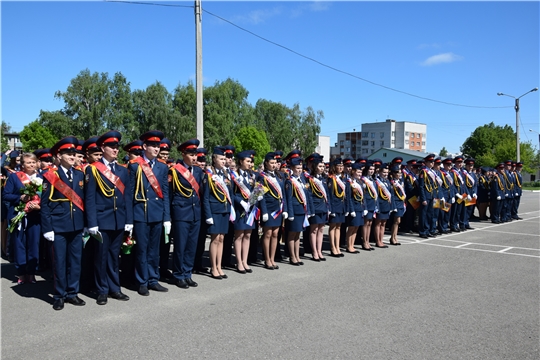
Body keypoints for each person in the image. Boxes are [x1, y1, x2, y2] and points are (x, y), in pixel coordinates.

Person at [85, 130, 132, 305]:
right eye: (112, 146)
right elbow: (89, 198)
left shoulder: (122, 170)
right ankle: (102, 289)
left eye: (117, 147)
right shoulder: (93, 169)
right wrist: (92, 222)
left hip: (119, 219)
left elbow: (127, 197)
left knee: (114, 256)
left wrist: (129, 220)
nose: (115, 150)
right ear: (103, 148)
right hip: (102, 220)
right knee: (101, 257)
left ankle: (115, 288)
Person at [41, 136, 86, 310]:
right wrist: (48, 228)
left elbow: (83, 201)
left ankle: (72, 293)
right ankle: (59, 295)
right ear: (59, 156)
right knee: (59, 262)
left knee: (75, 261)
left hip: (76, 225)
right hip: (58, 225)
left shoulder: (80, 174)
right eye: (68, 154)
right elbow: (45, 204)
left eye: (73, 154)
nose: (72, 157)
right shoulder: (51, 176)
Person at [128, 130, 171, 296]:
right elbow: (130, 194)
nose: (156, 148)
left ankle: (153, 279)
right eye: (152, 145)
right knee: (142, 249)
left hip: (157, 213)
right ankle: (142, 281)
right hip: (141, 212)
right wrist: (129, 219)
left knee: (155, 249)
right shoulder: (135, 166)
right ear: (144, 146)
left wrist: (166, 217)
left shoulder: (162, 166)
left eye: (158, 145)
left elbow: (165, 193)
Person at [169, 139, 204, 288]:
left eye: (195, 154)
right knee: (181, 246)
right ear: (183, 154)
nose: (194, 157)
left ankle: (187, 273)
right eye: (190, 154)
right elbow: (171, 194)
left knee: (191, 246)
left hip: (195, 212)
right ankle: (178, 275)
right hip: (181, 212)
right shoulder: (175, 171)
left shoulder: (198, 171)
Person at [3, 152, 42, 284]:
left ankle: (31, 272)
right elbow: (6, 195)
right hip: (18, 215)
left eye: (33, 162)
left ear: (37, 163)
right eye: (28, 162)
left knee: (34, 244)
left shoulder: (42, 177)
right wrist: (20, 198)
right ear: (22, 165)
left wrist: (39, 204)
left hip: (35, 216)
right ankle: (21, 273)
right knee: (20, 244)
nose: (31, 165)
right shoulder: (15, 177)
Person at [202, 146, 234, 279]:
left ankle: (219, 266)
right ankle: (213, 267)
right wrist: (208, 215)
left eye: (224, 158)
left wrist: (231, 210)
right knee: (215, 240)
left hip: (224, 210)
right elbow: (206, 197)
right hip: (214, 211)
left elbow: (230, 194)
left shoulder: (226, 174)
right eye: (221, 158)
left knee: (222, 238)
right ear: (214, 159)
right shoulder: (209, 175)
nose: (223, 161)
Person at [257, 152, 287, 269]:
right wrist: (263, 211)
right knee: (268, 234)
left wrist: (284, 208)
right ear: (266, 163)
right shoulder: (261, 176)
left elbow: (283, 193)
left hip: (277, 209)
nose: (274, 165)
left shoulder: (279, 176)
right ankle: (267, 259)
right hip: (268, 208)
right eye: (271, 163)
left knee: (275, 234)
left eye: (275, 163)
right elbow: (259, 195)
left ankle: (273, 258)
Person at [230, 150, 259, 273]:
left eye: (251, 162)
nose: (250, 164)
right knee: (239, 235)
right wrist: (240, 202)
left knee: (248, 235)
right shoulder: (234, 175)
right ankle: (239, 262)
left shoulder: (252, 175)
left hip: (250, 209)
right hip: (240, 208)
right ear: (241, 161)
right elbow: (232, 193)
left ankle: (245, 261)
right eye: (248, 161)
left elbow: (256, 190)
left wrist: (257, 195)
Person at [284, 157, 312, 266]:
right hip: (294, 211)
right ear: (292, 168)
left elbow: (306, 196)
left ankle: (297, 255)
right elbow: (289, 198)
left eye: (300, 168)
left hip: (302, 211)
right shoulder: (289, 181)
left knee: (298, 235)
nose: (299, 170)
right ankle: (292, 257)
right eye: (297, 168)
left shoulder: (303, 180)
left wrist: (308, 210)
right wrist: (290, 213)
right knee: (292, 234)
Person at [306, 156, 329, 261]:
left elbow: (327, 194)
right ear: (315, 167)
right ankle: (314, 251)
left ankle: (319, 251)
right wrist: (311, 210)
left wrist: (328, 207)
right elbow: (309, 195)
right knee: (314, 229)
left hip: (323, 207)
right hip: (315, 207)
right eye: (320, 166)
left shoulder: (324, 179)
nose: (322, 168)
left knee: (321, 229)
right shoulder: (309, 179)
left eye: (323, 166)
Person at [326, 158, 346, 257]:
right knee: (333, 227)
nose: (341, 167)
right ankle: (333, 248)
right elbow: (329, 195)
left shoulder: (342, 178)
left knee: (339, 227)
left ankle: (337, 247)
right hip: (334, 205)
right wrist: (331, 209)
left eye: (342, 166)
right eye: (338, 166)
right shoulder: (331, 178)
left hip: (341, 205)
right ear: (334, 167)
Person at [344, 162, 365, 253]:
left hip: (359, 207)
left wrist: (364, 208)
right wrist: (351, 210)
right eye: (358, 172)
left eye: (361, 172)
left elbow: (362, 196)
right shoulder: (349, 182)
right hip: (354, 209)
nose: (360, 174)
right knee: (352, 227)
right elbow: (349, 198)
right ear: (353, 172)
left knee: (356, 227)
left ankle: (352, 245)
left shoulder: (359, 182)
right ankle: (349, 246)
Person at [373, 163, 392, 247]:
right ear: (380, 172)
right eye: (384, 172)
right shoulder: (377, 182)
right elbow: (376, 194)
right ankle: (377, 241)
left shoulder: (387, 181)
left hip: (386, 205)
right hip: (380, 205)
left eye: (387, 172)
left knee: (383, 223)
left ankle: (381, 240)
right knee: (378, 223)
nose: (385, 174)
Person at [360, 161, 377, 251]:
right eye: (370, 169)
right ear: (366, 169)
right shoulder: (363, 179)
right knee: (366, 223)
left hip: (372, 204)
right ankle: (364, 242)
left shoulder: (372, 180)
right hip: (366, 204)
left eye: (373, 169)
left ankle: (368, 241)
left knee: (370, 223)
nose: (372, 171)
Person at [388, 165, 406, 245]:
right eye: (397, 173)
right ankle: (393, 237)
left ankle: (395, 237)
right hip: (396, 202)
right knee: (396, 221)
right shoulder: (392, 182)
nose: (399, 174)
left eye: (400, 173)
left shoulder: (401, 181)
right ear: (394, 174)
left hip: (401, 202)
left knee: (398, 222)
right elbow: (392, 195)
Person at [462, 158, 478, 230]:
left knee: (470, 210)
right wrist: (467, 194)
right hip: (465, 194)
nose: (470, 167)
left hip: (472, 194)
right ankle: (463, 223)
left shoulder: (473, 174)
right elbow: (464, 185)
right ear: (466, 165)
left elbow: (475, 185)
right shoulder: (464, 173)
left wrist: (475, 193)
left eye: (471, 165)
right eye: (469, 165)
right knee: (464, 210)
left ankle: (467, 223)